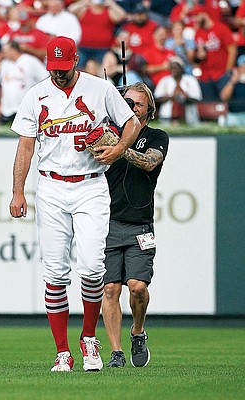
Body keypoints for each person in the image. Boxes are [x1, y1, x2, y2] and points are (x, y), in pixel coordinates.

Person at [9, 36, 140, 372]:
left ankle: (88, 338)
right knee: (54, 273)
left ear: (76, 60)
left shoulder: (100, 89)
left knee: (94, 266)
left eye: (64, 68)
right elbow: (25, 147)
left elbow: (132, 123)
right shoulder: (36, 94)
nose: (59, 75)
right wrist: (18, 191)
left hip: (91, 186)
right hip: (51, 186)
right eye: (54, 69)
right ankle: (63, 351)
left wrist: (119, 149)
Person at [102, 82, 169, 368]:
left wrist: (119, 147)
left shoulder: (157, 136)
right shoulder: (110, 131)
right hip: (107, 222)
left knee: (138, 286)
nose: (131, 107)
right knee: (110, 290)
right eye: (126, 101)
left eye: (137, 103)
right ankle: (116, 351)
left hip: (140, 224)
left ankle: (138, 332)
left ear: (148, 110)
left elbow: (149, 162)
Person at [154, 56, 201, 125]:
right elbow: (157, 98)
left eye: (176, 67)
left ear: (181, 68)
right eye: (172, 67)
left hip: (189, 118)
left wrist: (184, 98)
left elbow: (197, 98)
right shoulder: (165, 80)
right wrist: (172, 97)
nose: (174, 70)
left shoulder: (191, 80)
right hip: (167, 116)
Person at [219, 54, 245, 126]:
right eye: (243, 67)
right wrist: (232, 82)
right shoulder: (231, 80)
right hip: (234, 115)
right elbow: (223, 97)